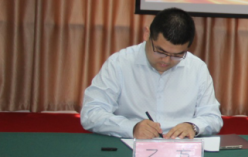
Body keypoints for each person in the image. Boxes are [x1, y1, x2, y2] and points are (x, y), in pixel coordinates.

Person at [81, 7, 223, 139]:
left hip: (180, 149)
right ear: (147, 34)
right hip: (130, 144)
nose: (166, 60)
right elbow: (91, 113)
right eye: (160, 51)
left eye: (177, 55)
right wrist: (131, 127)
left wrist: (193, 126)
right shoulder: (119, 63)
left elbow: (213, 117)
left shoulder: (197, 68)